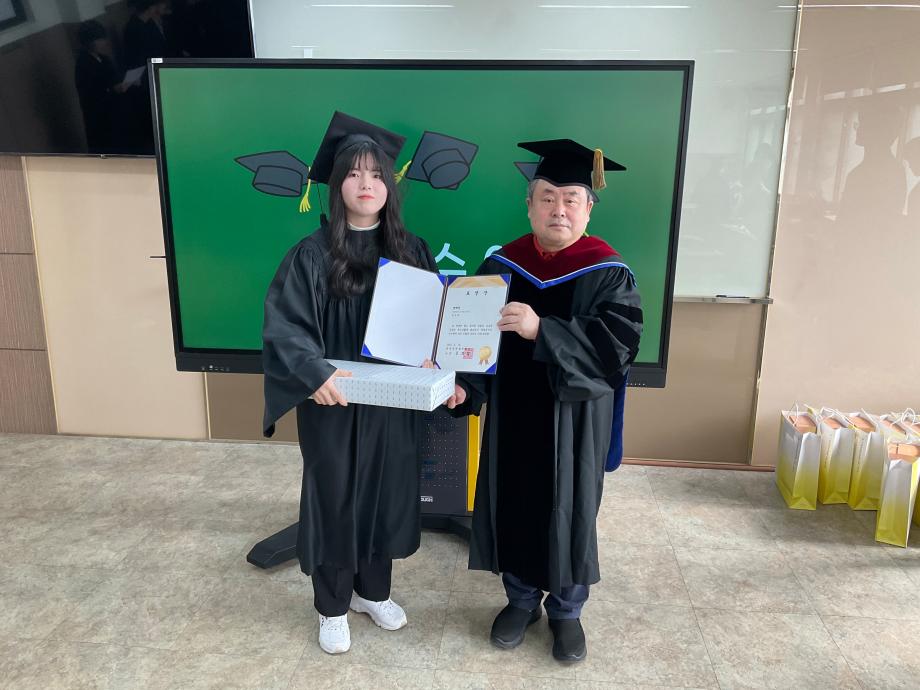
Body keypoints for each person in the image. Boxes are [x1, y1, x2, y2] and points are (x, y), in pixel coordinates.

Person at [447, 139, 643, 663]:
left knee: (569, 509)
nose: (559, 209)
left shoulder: (608, 272)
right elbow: (475, 340)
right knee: (513, 500)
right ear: (529, 205)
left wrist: (543, 331)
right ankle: (520, 600)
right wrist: (465, 385)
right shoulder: (502, 264)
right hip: (513, 416)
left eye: (571, 199)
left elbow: (616, 350)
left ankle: (566, 610)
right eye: (548, 197)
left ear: (588, 208)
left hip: (573, 421)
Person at [262, 112, 439, 655]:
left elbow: (432, 320)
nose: (367, 184)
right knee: (335, 495)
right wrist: (312, 373)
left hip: (393, 403)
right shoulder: (311, 255)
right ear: (337, 183)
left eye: (378, 174)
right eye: (355, 173)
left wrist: (434, 357)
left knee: (386, 490)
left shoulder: (412, 250)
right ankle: (332, 605)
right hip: (334, 402)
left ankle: (372, 592)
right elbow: (286, 327)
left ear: (390, 186)